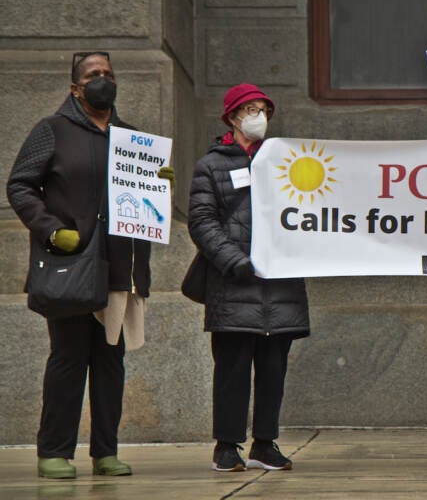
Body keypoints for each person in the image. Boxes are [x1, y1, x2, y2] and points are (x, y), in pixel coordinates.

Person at [6, 52, 174, 479]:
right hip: (71, 266)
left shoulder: (132, 138)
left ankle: (106, 452)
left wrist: (157, 186)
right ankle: (54, 452)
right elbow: (21, 185)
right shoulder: (52, 131)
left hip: (118, 268)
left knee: (110, 363)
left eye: (109, 74)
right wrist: (49, 229)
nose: (103, 80)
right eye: (93, 75)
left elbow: (142, 205)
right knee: (67, 360)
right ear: (75, 87)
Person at [187, 84, 310, 472]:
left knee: (273, 370)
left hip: (281, 287)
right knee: (232, 369)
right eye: (251, 109)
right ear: (232, 117)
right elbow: (202, 222)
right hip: (234, 284)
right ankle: (226, 446)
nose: (259, 116)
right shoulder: (211, 166)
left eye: (264, 110)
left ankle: (265, 443)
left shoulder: (286, 161)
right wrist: (234, 260)